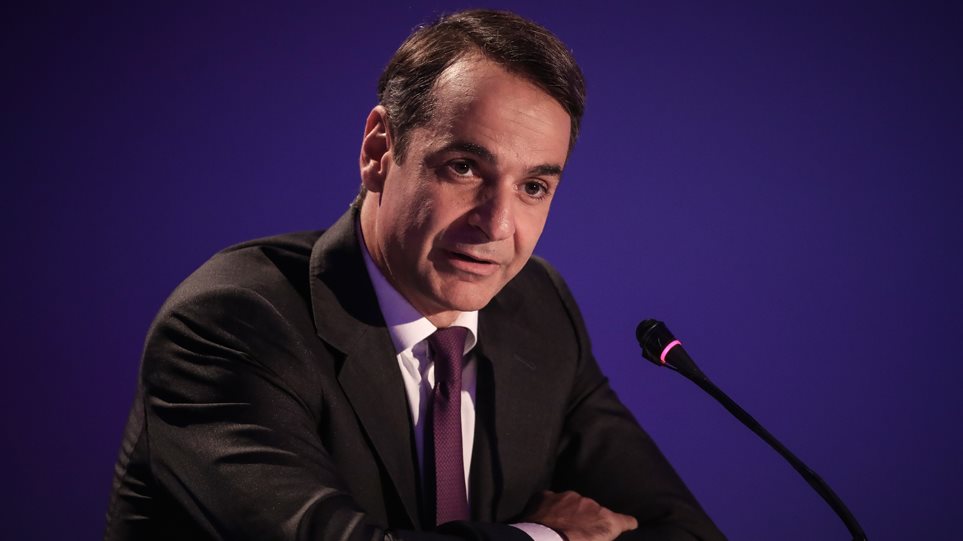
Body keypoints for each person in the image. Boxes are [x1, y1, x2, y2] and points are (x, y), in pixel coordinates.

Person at [104, 9, 725, 541]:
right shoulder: (233, 324)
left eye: (534, 187)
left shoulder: (538, 309)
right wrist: (544, 537)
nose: (497, 224)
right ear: (379, 150)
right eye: (464, 167)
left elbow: (684, 531)